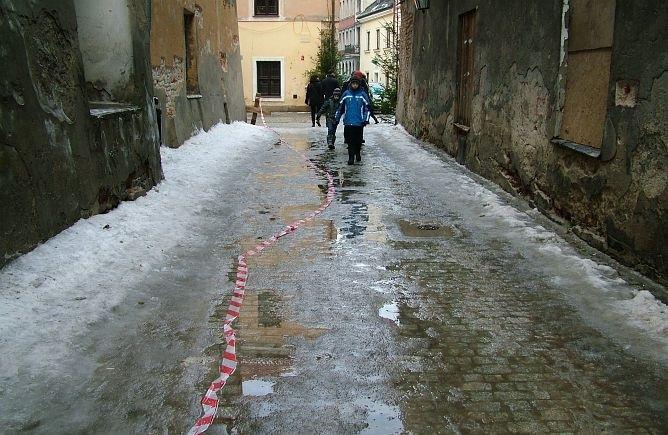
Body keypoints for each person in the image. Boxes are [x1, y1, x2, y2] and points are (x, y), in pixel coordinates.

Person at [334, 77, 371, 165]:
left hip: (359, 122)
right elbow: (340, 108)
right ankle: (351, 157)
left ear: (358, 84)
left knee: (358, 141)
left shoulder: (362, 94)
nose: (354, 85)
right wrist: (336, 118)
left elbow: (368, 108)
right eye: (353, 83)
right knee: (350, 141)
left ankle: (357, 153)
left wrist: (365, 119)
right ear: (350, 84)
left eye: (356, 84)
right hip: (348, 121)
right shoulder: (346, 94)